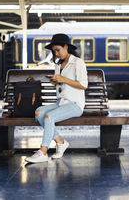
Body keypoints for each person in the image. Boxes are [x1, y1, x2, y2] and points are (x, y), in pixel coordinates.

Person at [25, 33, 88, 163]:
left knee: (49, 117)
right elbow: (62, 83)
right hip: (61, 102)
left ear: (66, 47)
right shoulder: (59, 64)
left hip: (75, 104)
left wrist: (63, 79)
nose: (56, 53)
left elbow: (83, 85)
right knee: (39, 112)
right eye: (54, 51)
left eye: (58, 50)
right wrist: (55, 81)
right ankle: (61, 142)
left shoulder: (78, 62)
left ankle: (43, 151)